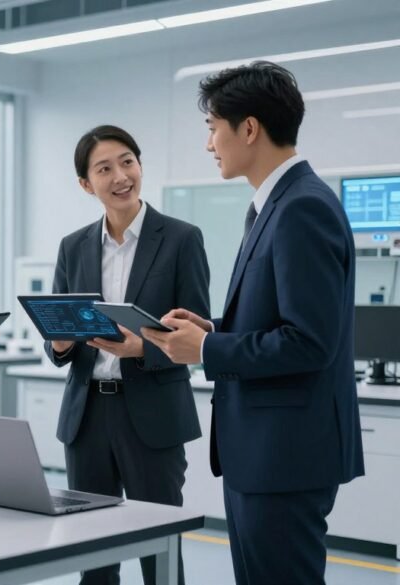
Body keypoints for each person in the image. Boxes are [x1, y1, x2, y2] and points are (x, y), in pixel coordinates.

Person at [141, 61, 364, 585]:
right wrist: (212, 330)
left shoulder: (302, 208)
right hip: (262, 453)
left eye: (213, 128)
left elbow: (309, 342)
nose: (209, 144)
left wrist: (207, 351)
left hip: (283, 456)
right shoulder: (275, 206)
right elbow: (279, 319)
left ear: (248, 128)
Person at [46, 125, 210, 585]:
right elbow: (59, 335)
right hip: (87, 415)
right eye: (104, 168)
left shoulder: (181, 239)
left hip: (153, 414)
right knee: (93, 557)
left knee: (160, 553)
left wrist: (145, 348)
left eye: (127, 162)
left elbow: (197, 337)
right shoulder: (73, 246)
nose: (120, 176)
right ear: (86, 184)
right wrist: (58, 343)